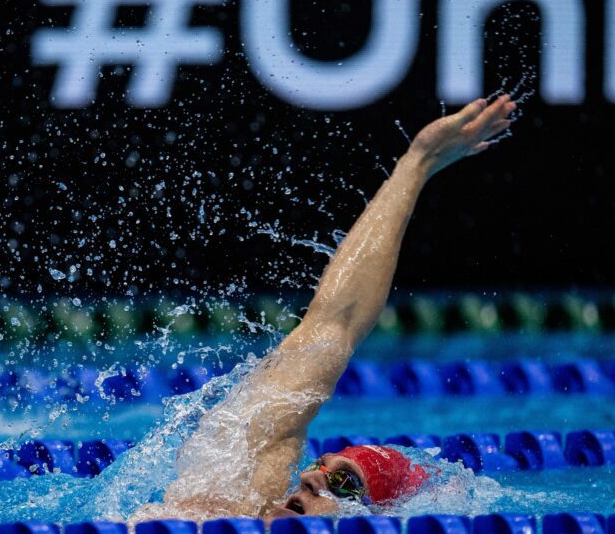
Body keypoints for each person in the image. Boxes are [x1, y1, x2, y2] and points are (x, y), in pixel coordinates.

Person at [137, 95, 518, 522]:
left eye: (345, 484)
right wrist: (415, 165)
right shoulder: (228, 500)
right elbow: (334, 326)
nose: (312, 479)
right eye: (321, 468)